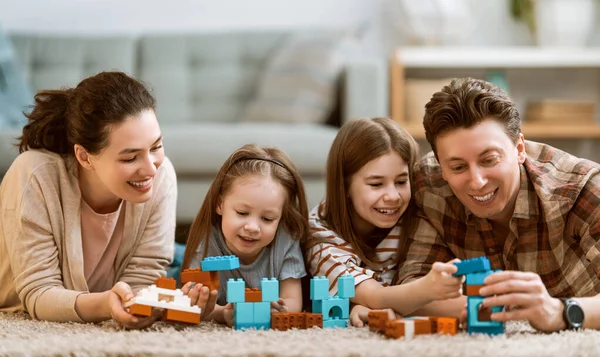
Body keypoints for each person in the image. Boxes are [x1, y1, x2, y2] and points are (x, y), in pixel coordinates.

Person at [397, 77, 600, 332]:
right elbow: (412, 286)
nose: (477, 182)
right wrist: (481, 306)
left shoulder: (584, 190)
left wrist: (558, 312)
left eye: (489, 160)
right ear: (442, 167)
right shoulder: (428, 185)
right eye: (458, 167)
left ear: (519, 148)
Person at [0, 71, 177, 329]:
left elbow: (144, 276)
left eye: (156, 147)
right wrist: (106, 305)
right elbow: (38, 293)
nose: (151, 168)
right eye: (130, 158)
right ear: (84, 157)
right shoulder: (35, 175)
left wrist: (136, 303)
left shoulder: (161, 175)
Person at [305, 117, 463, 327]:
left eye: (400, 181)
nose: (393, 196)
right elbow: (376, 297)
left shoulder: (417, 206)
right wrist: (428, 289)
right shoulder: (322, 244)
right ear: (344, 186)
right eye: (376, 184)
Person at [180, 144, 308, 326]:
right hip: (179, 259)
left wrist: (274, 310)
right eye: (242, 212)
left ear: (280, 219)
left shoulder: (286, 241)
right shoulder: (207, 242)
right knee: (172, 259)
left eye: (267, 218)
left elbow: (293, 301)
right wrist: (223, 313)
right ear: (220, 204)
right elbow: (193, 305)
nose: (253, 227)